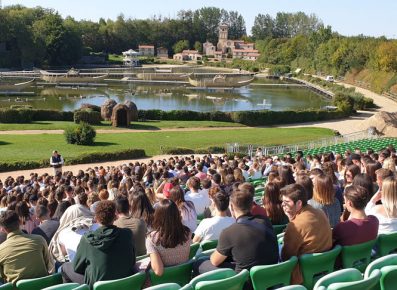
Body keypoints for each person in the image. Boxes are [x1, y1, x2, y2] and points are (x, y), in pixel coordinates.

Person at [195, 189, 278, 275]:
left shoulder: (229, 232)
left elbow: (215, 261)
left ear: (231, 207)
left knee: (199, 263)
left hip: (245, 280)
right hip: (271, 272)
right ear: (251, 205)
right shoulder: (265, 220)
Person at [61, 201, 136, 288]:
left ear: (96, 218)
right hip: (124, 281)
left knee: (65, 267)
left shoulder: (87, 240)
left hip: (97, 285)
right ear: (115, 216)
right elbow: (132, 260)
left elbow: (77, 267)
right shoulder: (127, 234)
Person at [281, 184, 332, 285]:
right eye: (282, 201)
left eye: (286, 202)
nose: (283, 205)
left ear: (299, 203)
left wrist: (292, 223)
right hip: (325, 268)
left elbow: (286, 256)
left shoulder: (295, 225)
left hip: (303, 276)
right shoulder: (320, 212)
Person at [0, 210, 53, 284]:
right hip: (44, 285)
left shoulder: (1, 250)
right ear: (21, 222)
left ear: (3, 229)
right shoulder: (39, 240)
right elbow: (49, 265)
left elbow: (2, 276)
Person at [145, 199, 191, 277]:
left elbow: (158, 271)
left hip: (164, 283)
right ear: (177, 214)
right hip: (184, 278)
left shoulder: (152, 239)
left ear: (157, 216)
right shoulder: (187, 233)